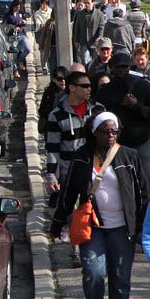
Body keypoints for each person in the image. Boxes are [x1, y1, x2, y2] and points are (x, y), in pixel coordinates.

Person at [51, 112, 145, 299]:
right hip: (93, 226)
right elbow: (69, 190)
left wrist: (143, 227)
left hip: (123, 228)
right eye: (105, 131)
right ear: (94, 133)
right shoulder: (82, 156)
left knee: (120, 277)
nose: (111, 135)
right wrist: (58, 222)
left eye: (114, 131)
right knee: (93, 272)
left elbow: (142, 192)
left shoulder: (129, 156)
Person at [95, 52, 150, 193]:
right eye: (118, 67)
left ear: (130, 67)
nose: (121, 71)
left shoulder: (143, 85)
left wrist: (137, 106)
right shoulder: (106, 91)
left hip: (142, 143)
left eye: (125, 67)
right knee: (123, 189)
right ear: (111, 68)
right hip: (117, 146)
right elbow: (96, 118)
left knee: (148, 187)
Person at [45, 70, 100, 207]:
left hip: (96, 171)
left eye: (90, 85)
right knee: (73, 214)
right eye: (85, 86)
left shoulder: (98, 110)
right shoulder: (56, 115)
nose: (89, 89)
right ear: (72, 88)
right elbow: (53, 148)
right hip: (69, 172)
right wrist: (51, 175)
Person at [72, 0, 105, 66]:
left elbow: (101, 27)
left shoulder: (99, 14)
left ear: (93, 3)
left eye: (88, 3)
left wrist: (99, 38)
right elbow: (77, 28)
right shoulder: (80, 14)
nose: (86, 5)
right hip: (83, 41)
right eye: (85, 3)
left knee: (96, 61)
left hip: (95, 42)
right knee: (85, 60)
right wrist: (76, 40)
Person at [39, 66, 70, 132]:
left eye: (65, 78)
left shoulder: (71, 92)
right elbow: (42, 110)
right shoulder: (49, 93)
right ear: (54, 79)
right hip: (52, 126)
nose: (63, 81)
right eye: (60, 79)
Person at [4, 0, 29, 74]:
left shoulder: (20, 14)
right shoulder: (8, 15)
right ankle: (15, 71)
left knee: (27, 49)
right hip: (13, 36)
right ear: (13, 7)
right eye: (16, 7)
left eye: (19, 7)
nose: (17, 9)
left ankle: (20, 61)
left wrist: (24, 22)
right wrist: (13, 27)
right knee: (14, 54)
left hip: (21, 35)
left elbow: (24, 21)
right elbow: (5, 26)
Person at [34, 0, 54, 72]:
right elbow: (39, 24)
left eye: (46, 4)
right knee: (42, 50)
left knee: (49, 50)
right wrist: (45, 25)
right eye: (43, 4)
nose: (44, 5)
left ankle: (48, 65)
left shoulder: (51, 11)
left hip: (49, 34)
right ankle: (44, 66)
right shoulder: (37, 13)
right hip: (41, 33)